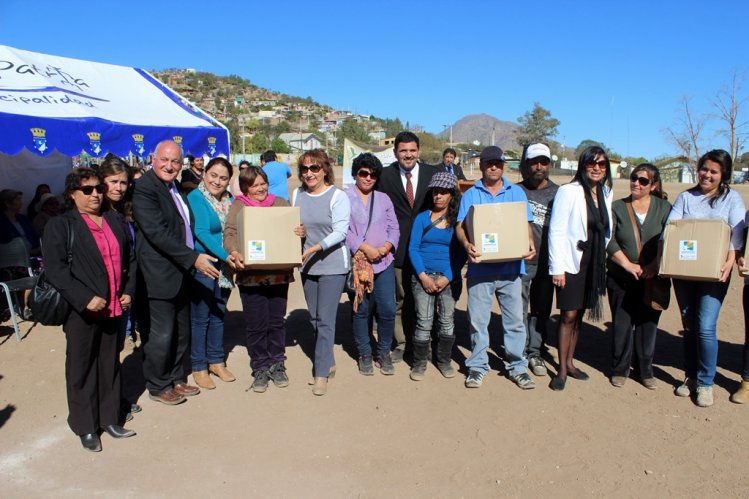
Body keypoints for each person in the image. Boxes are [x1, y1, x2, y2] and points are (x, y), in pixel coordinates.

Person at [43, 168, 136, 452]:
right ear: (73, 194)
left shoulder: (112, 218)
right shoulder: (61, 225)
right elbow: (56, 270)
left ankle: (108, 418)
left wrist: (128, 291)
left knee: (109, 362)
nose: (95, 194)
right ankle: (85, 425)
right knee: (81, 367)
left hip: (114, 307)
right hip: (82, 311)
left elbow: (129, 259)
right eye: (87, 190)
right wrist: (84, 298)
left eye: (97, 188)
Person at [133, 140, 220, 406]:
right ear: (153, 159)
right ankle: (158, 384)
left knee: (181, 330)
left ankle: (174, 377)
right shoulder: (145, 189)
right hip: (159, 274)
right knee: (162, 333)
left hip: (180, 272)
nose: (170, 166)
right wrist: (193, 259)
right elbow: (158, 233)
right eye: (165, 160)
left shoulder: (173, 187)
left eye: (175, 161)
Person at [669, 149, 745, 407]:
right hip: (683, 273)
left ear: (723, 175)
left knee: (705, 326)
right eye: (704, 169)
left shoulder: (731, 199)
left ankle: (705, 383)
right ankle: (690, 376)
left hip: (714, 274)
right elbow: (671, 229)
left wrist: (730, 261)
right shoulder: (686, 197)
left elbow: (737, 234)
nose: (707, 175)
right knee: (689, 326)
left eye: (713, 171)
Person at [455, 146, 536, 390]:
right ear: (481, 165)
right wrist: (467, 244)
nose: (493, 167)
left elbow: (526, 224)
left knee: (514, 321)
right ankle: (478, 366)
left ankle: (518, 367)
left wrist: (529, 241)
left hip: (511, 269)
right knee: (478, 321)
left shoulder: (516, 192)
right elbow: (460, 226)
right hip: (480, 270)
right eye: (489, 163)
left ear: (503, 166)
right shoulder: (471, 194)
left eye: (497, 163)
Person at [225, 166, 303, 392]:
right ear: (245, 188)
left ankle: (277, 364)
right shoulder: (239, 206)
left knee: (276, 321)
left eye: (262, 184)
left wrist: (300, 232)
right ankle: (260, 366)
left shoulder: (280, 203)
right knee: (256, 323)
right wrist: (234, 251)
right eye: (254, 185)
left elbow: (293, 229)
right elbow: (230, 232)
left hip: (278, 274)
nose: (259, 189)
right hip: (251, 276)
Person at [548, 145, 613, 391]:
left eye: (602, 164)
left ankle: (571, 363)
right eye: (592, 163)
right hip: (571, 261)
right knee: (568, 315)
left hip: (594, 263)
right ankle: (561, 369)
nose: (597, 168)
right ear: (583, 165)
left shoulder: (606, 192)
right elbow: (557, 230)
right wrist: (557, 268)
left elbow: (606, 229)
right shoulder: (569, 191)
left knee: (580, 316)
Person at [376, 131, 440, 362]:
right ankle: (403, 343)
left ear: (419, 151)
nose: (408, 155)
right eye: (403, 151)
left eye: (412, 150)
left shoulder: (435, 174)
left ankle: (426, 343)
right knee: (401, 299)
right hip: (398, 248)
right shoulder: (384, 176)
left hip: (428, 248)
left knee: (428, 299)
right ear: (395, 153)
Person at [606, 164, 671, 389]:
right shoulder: (617, 207)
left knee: (648, 325)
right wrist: (626, 264)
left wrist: (654, 265)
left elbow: (668, 237)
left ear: (653, 185)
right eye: (634, 178)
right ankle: (620, 369)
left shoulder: (664, 208)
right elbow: (609, 239)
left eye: (643, 181)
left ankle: (645, 371)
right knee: (622, 324)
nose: (637, 183)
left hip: (653, 279)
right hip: (620, 277)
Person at [293, 149, 350, 396]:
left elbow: (340, 232)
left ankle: (321, 373)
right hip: (308, 265)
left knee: (326, 319)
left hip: (332, 265)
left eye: (314, 168)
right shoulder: (297, 194)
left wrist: (315, 246)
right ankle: (327, 359)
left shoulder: (338, 196)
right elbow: (296, 225)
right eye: (305, 168)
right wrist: (298, 235)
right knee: (314, 318)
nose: (309, 173)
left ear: (325, 169)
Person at [345, 153, 399, 376]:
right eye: (363, 173)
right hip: (360, 264)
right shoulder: (344, 197)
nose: (368, 178)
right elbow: (342, 229)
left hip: (384, 262)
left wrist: (386, 248)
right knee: (361, 310)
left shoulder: (384, 198)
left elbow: (394, 228)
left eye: (373, 174)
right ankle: (365, 353)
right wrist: (365, 247)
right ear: (355, 173)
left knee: (387, 309)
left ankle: (384, 351)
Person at [186, 157, 238, 390]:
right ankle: (199, 366)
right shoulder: (196, 197)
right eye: (214, 175)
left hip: (226, 268)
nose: (218, 181)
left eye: (223, 178)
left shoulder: (230, 200)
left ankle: (216, 361)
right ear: (205, 174)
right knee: (201, 318)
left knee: (218, 313)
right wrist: (226, 255)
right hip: (205, 265)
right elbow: (201, 233)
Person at [408, 172, 462, 380]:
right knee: (424, 321)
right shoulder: (422, 218)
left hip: (448, 279)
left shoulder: (457, 221)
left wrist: (447, 277)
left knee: (447, 321)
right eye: (435, 192)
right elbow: (413, 248)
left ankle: (444, 361)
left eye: (443, 192)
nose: (438, 196)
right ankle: (419, 363)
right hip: (423, 277)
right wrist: (423, 277)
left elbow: (460, 253)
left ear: (451, 195)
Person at [518, 143, 559, 377]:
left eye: (543, 162)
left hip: (547, 262)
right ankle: (521, 350)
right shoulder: (516, 191)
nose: (539, 167)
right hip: (522, 261)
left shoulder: (558, 193)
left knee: (541, 310)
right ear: (527, 164)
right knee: (519, 308)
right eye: (534, 162)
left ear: (549, 164)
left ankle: (535, 352)